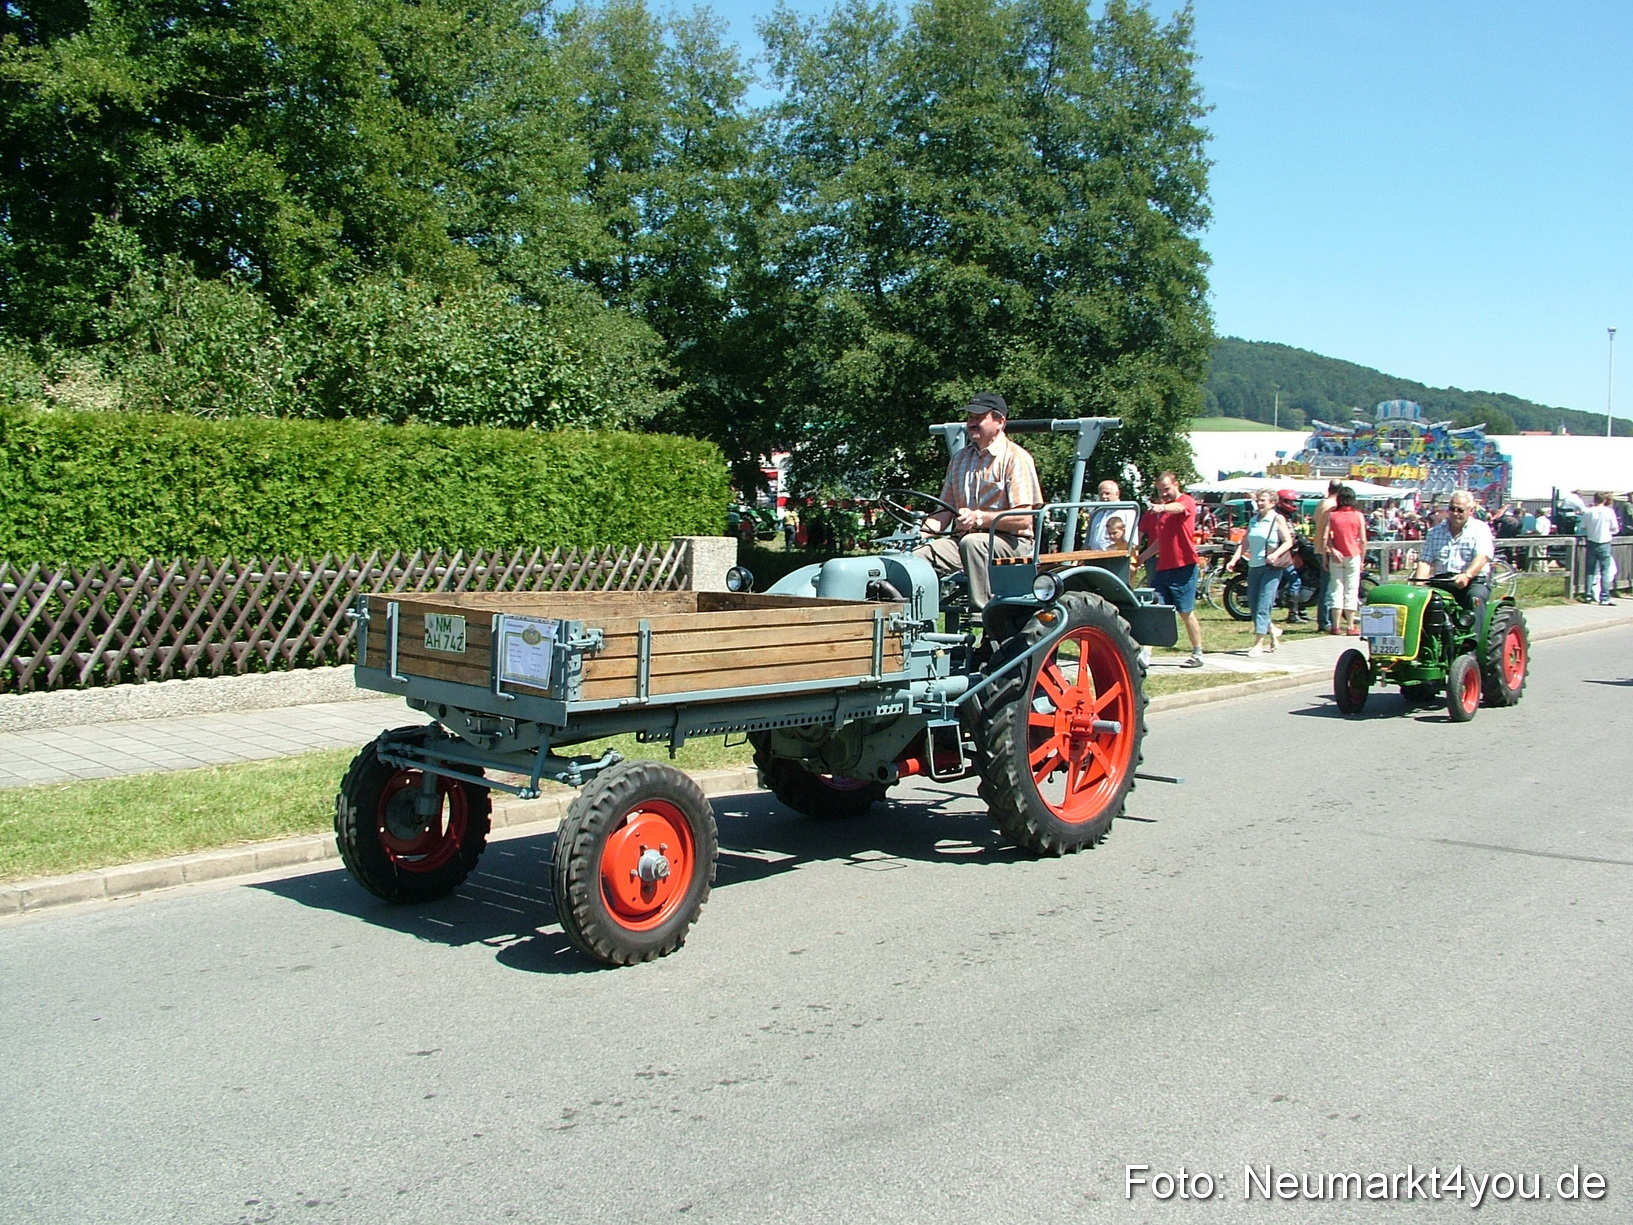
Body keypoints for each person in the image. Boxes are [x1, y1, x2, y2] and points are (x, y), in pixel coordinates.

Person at [914, 391, 1043, 613]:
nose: (972, 423)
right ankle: (917, 624)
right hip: (964, 543)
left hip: (1011, 544)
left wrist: (978, 518)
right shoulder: (960, 459)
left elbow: (1023, 519)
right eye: (970, 417)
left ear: (1000, 421)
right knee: (916, 558)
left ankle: (988, 617)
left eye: (978, 417)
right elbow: (943, 513)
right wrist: (916, 534)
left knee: (973, 543)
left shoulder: (1016, 459)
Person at [1138, 471, 1205, 667]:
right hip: (1163, 568)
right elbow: (1161, 541)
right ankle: (1145, 654)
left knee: (1185, 611)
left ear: (1176, 484)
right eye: (1160, 491)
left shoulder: (1186, 501)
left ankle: (1198, 653)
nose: (1164, 493)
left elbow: (1178, 507)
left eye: (1166, 489)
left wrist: (1163, 507)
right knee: (1154, 609)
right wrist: (1141, 558)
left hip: (1184, 566)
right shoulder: (1162, 513)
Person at [1226, 488, 1293, 656]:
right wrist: (1234, 560)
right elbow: (1244, 543)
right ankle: (1272, 630)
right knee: (1254, 604)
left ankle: (1258, 643)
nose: (1260, 503)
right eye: (1258, 500)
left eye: (1263, 500)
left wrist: (1275, 555)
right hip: (1254, 567)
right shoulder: (1254, 520)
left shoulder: (1277, 519)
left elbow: (1288, 542)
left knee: (1264, 604)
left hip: (1271, 568)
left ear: (1272, 503)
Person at [1413, 489, 1494, 619]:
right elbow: (1425, 561)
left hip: (1472, 581)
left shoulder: (1480, 529)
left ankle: (1472, 639)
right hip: (1443, 580)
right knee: (1422, 601)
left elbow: (1482, 556)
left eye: (1460, 510)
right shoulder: (1435, 532)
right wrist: (1419, 584)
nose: (1455, 513)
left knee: (1475, 598)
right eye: (1452, 509)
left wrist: (1467, 575)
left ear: (1470, 511)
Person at [1322, 485, 1368, 635]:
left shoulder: (1332, 515)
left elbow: (1325, 536)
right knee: (1351, 590)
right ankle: (1350, 625)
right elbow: (1363, 540)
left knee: (1336, 589)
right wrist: (1362, 559)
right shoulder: (1358, 515)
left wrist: (1330, 551)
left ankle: (1335, 625)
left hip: (1336, 555)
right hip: (1353, 554)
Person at [1577, 491, 1619, 604]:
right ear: (1604, 500)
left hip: (1591, 541)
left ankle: (1588, 595)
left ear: (1594, 499)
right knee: (1605, 571)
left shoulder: (1588, 512)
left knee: (1590, 570)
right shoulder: (1609, 512)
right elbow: (1615, 528)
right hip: (1605, 542)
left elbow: (1583, 527)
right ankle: (1604, 597)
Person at [1310, 481, 1341, 632]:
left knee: (1326, 585)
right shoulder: (1334, 506)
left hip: (1318, 546)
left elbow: (1316, 521)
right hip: (1328, 548)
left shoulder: (1321, 503)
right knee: (1329, 587)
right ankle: (1325, 620)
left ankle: (1326, 618)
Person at [1087, 479, 1137, 551]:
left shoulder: (1127, 512)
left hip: (1115, 558)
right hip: (1094, 557)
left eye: (1107, 493)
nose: (1104, 497)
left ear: (1117, 494)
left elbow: (1132, 542)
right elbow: (1089, 541)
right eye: (1101, 494)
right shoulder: (1097, 513)